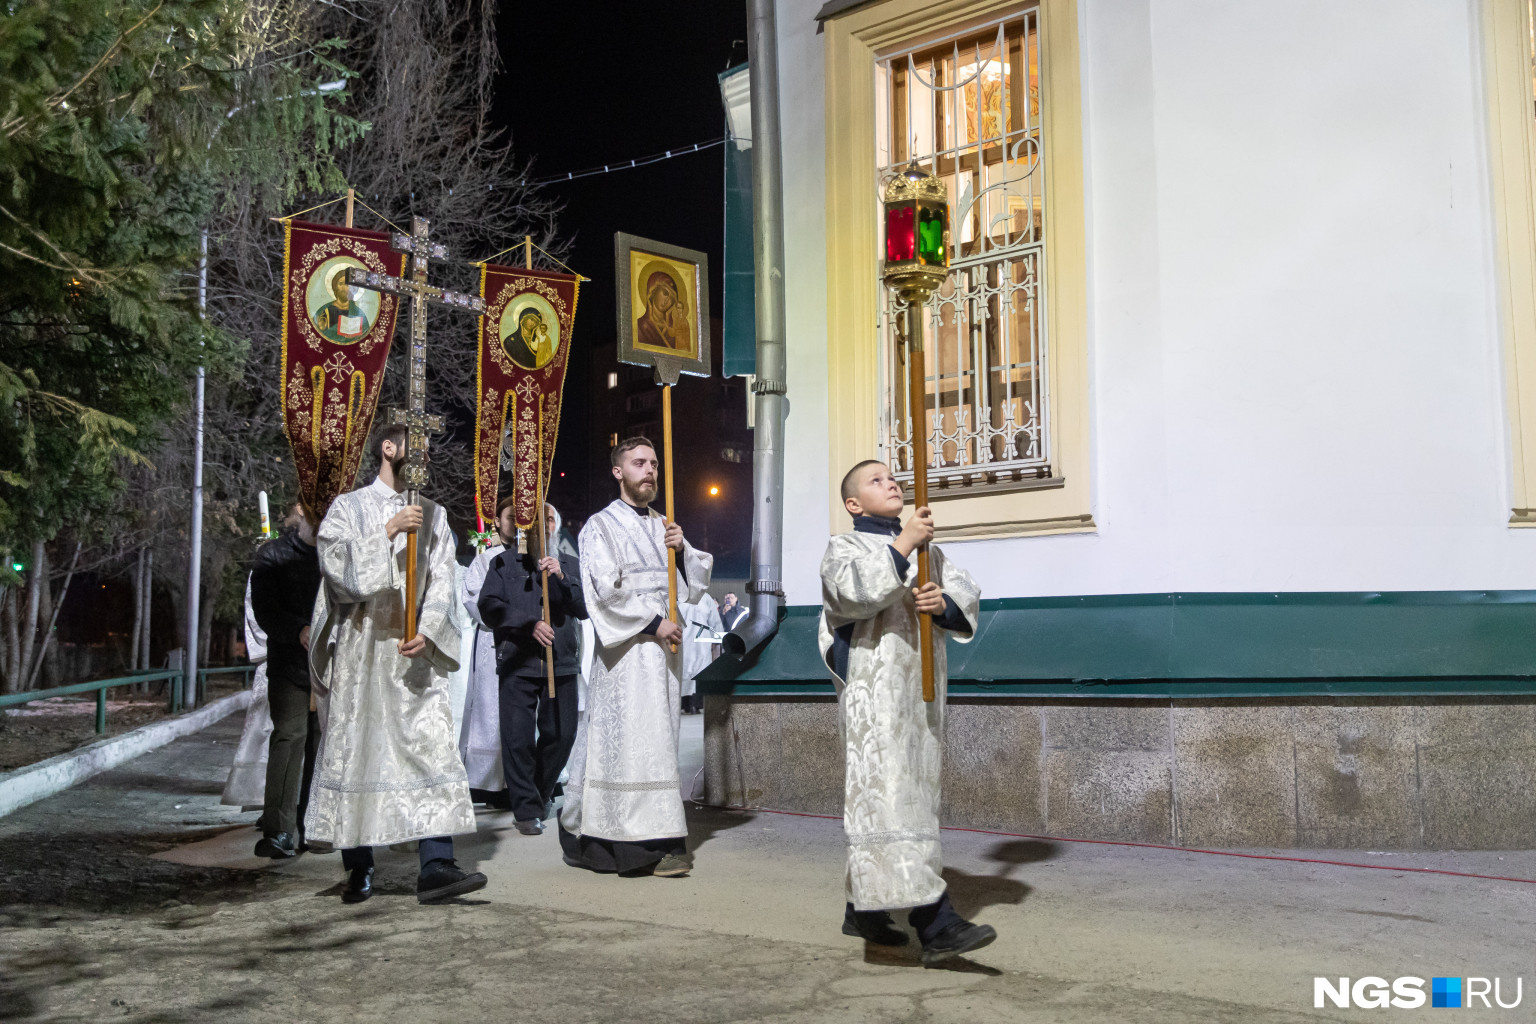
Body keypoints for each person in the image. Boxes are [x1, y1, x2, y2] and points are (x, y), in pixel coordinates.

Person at [819, 459, 994, 964]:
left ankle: (867, 911)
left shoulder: (928, 551)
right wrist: (902, 545)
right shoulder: (844, 547)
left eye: (892, 476)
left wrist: (942, 604)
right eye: (875, 481)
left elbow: (965, 597)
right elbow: (850, 595)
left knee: (912, 797)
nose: (891, 482)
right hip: (876, 697)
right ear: (853, 504)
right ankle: (935, 923)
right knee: (889, 797)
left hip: (920, 697)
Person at [304, 423, 486, 905]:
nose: (424, 456)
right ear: (388, 448)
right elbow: (334, 568)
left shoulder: (435, 515)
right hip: (364, 652)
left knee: (429, 748)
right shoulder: (349, 507)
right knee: (359, 748)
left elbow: (445, 577)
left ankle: (436, 865)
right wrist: (386, 531)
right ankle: (359, 866)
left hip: (413, 652)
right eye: (416, 445)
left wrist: (427, 628)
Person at [561, 436, 712, 877]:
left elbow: (694, 585)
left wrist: (682, 550)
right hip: (626, 657)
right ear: (618, 471)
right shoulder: (599, 527)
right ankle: (627, 844)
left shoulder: (665, 525)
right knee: (627, 744)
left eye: (655, 464)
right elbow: (604, 592)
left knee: (658, 746)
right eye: (640, 462)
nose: (650, 470)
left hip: (663, 658)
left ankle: (659, 835)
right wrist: (653, 623)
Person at [477, 498, 587, 835]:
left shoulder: (570, 563)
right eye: (540, 520)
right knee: (518, 738)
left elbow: (584, 607)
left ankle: (537, 797)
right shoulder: (505, 563)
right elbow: (489, 607)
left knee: (562, 733)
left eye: (551, 520)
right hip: (518, 661)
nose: (546, 526)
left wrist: (562, 576)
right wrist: (528, 623)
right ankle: (526, 810)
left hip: (561, 662)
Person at [250, 506, 322, 859]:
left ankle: (315, 825)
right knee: (290, 737)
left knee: (322, 746)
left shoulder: (337, 552)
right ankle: (279, 829)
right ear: (303, 511)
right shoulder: (273, 555)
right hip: (290, 667)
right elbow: (265, 609)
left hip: (330, 669)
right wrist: (298, 629)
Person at [459, 502, 514, 805]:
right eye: (509, 518)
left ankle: (517, 779)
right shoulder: (485, 560)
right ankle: (488, 782)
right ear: (497, 521)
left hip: (523, 644)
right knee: (489, 709)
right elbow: (472, 599)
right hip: (492, 641)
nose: (515, 523)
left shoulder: (527, 556)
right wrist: (505, 619)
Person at [221, 577, 271, 817]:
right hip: (279, 657)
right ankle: (266, 803)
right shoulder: (273, 559)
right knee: (267, 732)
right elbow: (258, 605)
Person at [678, 591, 723, 715]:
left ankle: (688, 704)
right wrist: (718, 640)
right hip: (694, 641)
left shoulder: (679, 596)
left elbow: (715, 622)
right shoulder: (705, 597)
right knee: (694, 671)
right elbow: (716, 622)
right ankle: (694, 704)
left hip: (692, 641)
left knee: (689, 671)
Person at [312, 267, 371, 343]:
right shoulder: (325, 311)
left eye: (348, 284)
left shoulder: (358, 313)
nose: (345, 288)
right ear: (335, 287)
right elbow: (316, 335)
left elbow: (365, 337)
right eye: (341, 284)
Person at [635, 270, 688, 351]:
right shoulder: (639, 327)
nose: (667, 301)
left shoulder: (674, 328)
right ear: (653, 291)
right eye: (665, 293)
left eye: (672, 299)